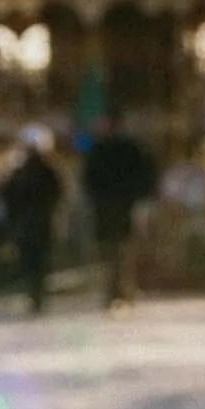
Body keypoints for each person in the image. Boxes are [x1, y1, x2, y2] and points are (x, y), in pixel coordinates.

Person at [83, 120, 160, 311]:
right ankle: (123, 289)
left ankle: (114, 290)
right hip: (125, 205)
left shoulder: (99, 151)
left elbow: (89, 180)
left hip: (106, 207)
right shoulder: (132, 149)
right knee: (125, 250)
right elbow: (147, 173)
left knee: (110, 250)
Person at [3, 130, 63, 314]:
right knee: (40, 261)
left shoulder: (20, 173)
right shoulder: (46, 171)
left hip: (29, 224)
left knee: (31, 261)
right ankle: (37, 294)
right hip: (40, 222)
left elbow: (8, 198)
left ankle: (34, 294)